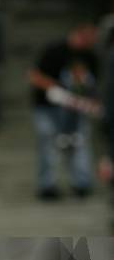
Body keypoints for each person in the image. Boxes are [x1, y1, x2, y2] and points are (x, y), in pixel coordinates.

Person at [29, 24, 99, 199]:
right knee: (48, 145)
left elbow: (92, 86)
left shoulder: (91, 56)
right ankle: (47, 185)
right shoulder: (55, 50)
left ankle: (81, 183)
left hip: (75, 110)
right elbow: (34, 76)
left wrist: (80, 100)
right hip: (47, 108)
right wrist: (58, 89)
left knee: (79, 143)